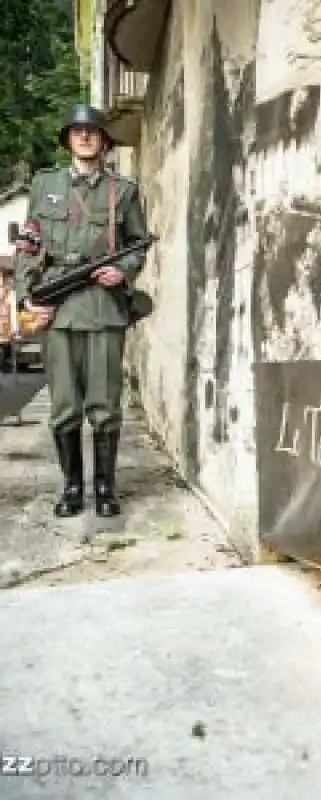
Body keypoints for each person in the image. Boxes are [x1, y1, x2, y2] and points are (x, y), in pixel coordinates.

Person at [13, 104, 149, 518]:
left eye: (91, 131)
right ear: (68, 139)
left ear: (104, 140)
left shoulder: (122, 191)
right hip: (57, 309)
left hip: (103, 308)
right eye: (76, 132)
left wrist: (121, 270)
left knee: (105, 403)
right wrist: (28, 298)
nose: (84, 137)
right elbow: (29, 247)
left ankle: (105, 488)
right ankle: (72, 486)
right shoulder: (45, 185)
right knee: (64, 405)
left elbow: (139, 243)